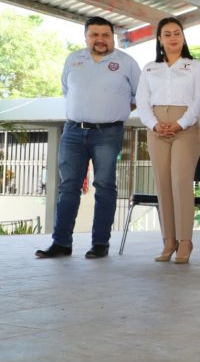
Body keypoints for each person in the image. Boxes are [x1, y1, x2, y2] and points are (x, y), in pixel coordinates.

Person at [35, 16, 140, 259]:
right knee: (68, 187)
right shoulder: (73, 59)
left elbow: (138, 96)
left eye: (105, 35)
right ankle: (61, 243)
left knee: (104, 187)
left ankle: (100, 244)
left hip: (108, 132)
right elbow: (67, 90)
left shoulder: (126, 62)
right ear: (86, 37)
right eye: (95, 35)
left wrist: (113, 111)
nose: (100, 40)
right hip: (72, 131)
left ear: (112, 37)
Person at [136, 17, 200, 264]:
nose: (173, 37)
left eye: (177, 33)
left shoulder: (195, 66)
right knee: (163, 184)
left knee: (180, 181)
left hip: (184, 126)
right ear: (159, 39)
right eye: (167, 34)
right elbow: (142, 102)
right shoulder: (149, 68)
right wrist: (155, 124)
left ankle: (185, 240)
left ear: (183, 37)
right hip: (156, 127)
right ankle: (169, 240)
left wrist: (179, 123)